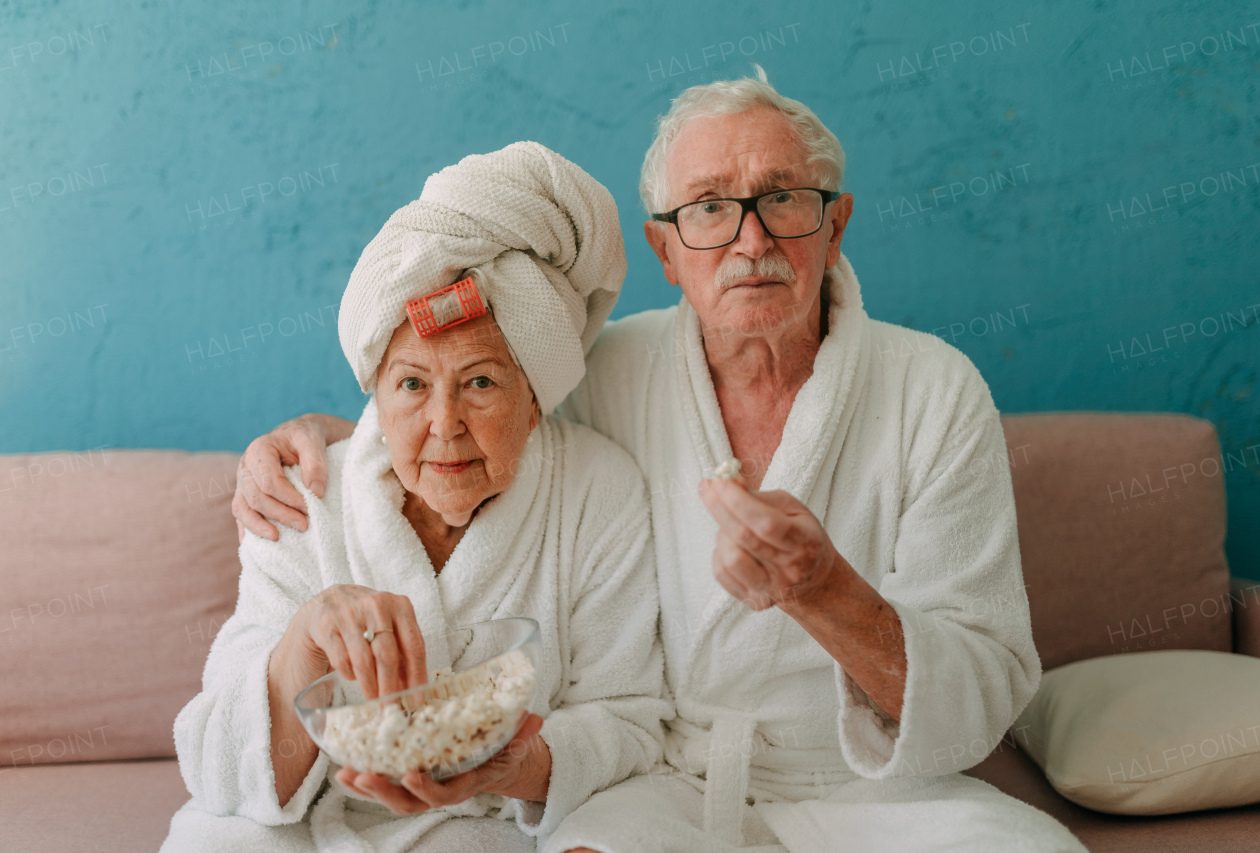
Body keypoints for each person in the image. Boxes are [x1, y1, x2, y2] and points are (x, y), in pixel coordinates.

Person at [234, 70, 1088, 852]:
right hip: (668, 785)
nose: (750, 238)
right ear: (665, 251)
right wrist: (322, 436)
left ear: (836, 225)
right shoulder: (610, 373)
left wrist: (827, 591)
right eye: (709, 208)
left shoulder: (937, 392)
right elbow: (467, 407)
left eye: (783, 198)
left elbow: (984, 693)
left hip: (882, 792)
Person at [162, 142, 667, 853]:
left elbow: (631, 719)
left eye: (482, 382)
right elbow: (219, 765)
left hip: (478, 823)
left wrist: (517, 766)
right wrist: (303, 647)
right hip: (303, 823)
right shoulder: (302, 494)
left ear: (535, 398)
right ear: (375, 390)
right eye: (411, 383)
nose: (444, 422)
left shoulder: (597, 493)